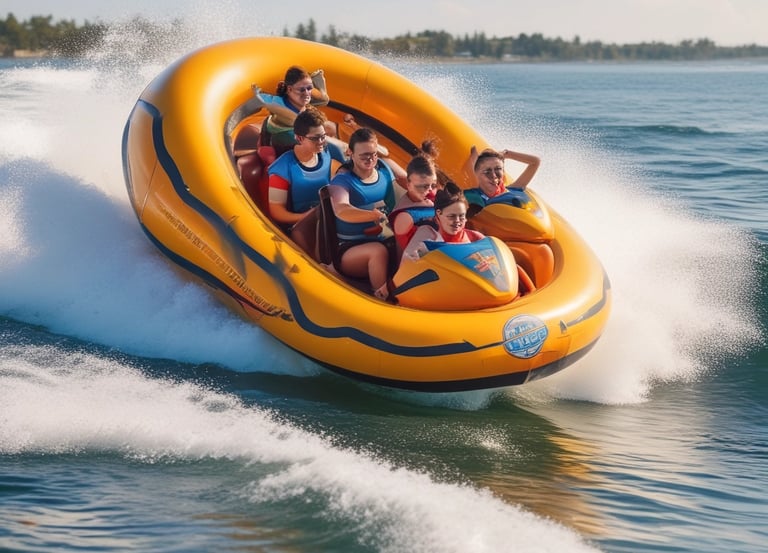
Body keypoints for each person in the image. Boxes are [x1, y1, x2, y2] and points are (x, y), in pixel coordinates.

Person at [327, 128, 406, 301]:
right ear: (350, 153)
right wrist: (373, 216)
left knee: (406, 241)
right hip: (349, 249)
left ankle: (405, 290)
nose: (370, 159)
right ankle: (381, 298)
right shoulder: (342, 181)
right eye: (364, 155)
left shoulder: (385, 171)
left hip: (383, 237)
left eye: (373, 154)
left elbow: (410, 181)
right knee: (378, 251)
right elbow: (341, 209)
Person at [267, 107, 346, 255]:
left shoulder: (326, 153)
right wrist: (304, 217)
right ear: (299, 138)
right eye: (315, 138)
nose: (321, 142)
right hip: (302, 227)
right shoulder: (283, 168)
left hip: (329, 218)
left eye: (323, 136)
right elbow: (276, 211)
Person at [251, 65, 330, 153]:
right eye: (301, 90)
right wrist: (257, 91)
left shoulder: (300, 102)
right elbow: (263, 100)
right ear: (289, 89)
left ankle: (314, 78)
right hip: (277, 136)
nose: (307, 93)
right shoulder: (285, 109)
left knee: (324, 100)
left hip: (291, 124)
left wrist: (316, 79)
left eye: (309, 88)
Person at [402, 182, 484, 261]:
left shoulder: (475, 238)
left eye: (461, 216)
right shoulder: (428, 240)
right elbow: (406, 265)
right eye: (451, 216)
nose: (457, 221)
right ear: (439, 214)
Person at [389, 145, 440, 253]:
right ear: (408, 185)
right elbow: (411, 253)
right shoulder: (404, 216)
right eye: (423, 186)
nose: (429, 190)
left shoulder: (431, 195)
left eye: (433, 185)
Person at [462, 145, 540, 215]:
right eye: (487, 172)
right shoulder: (474, 196)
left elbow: (535, 162)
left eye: (498, 169)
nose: (493, 176)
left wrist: (508, 154)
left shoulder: (515, 189)